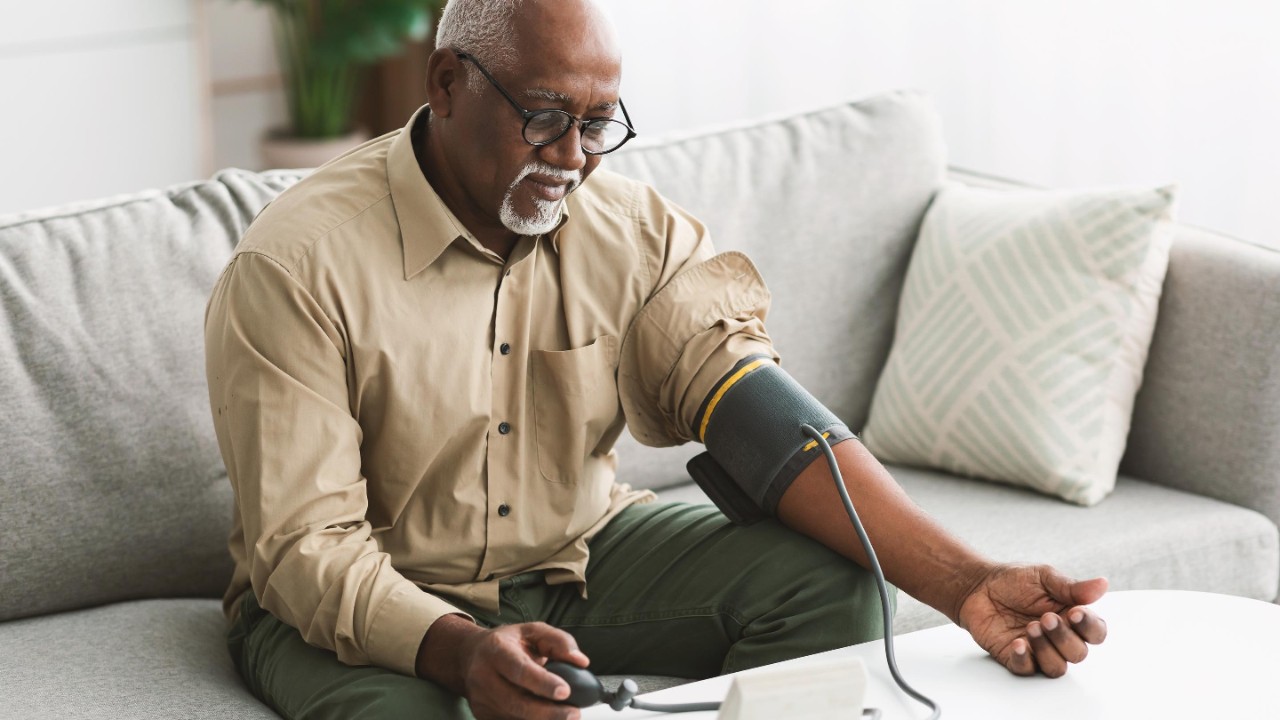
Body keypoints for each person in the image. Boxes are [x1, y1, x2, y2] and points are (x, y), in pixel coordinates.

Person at [204, 1, 1108, 718]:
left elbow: (760, 418)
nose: (572, 158)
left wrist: (968, 584)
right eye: (546, 116)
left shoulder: (631, 231)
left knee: (837, 594)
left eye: (599, 124)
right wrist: (458, 649)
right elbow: (303, 549)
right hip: (354, 596)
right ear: (447, 82)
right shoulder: (296, 266)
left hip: (573, 554)